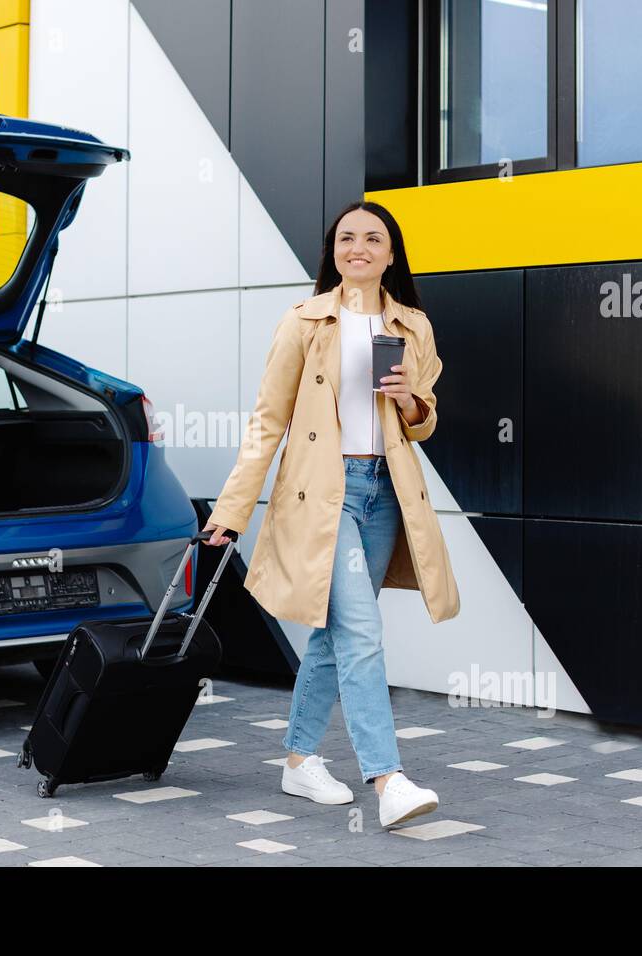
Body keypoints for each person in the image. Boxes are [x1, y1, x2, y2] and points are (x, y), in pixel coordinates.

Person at [201, 200, 455, 828]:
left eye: (373, 239)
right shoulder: (305, 320)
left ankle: (298, 761)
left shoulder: (412, 326)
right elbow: (268, 421)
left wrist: (412, 402)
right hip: (323, 496)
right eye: (347, 238)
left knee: (334, 632)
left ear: (391, 254)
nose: (359, 248)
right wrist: (233, 508)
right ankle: (387, 778)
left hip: (383, 494)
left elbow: (424, 422)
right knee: (363, 635)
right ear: (333, 251)